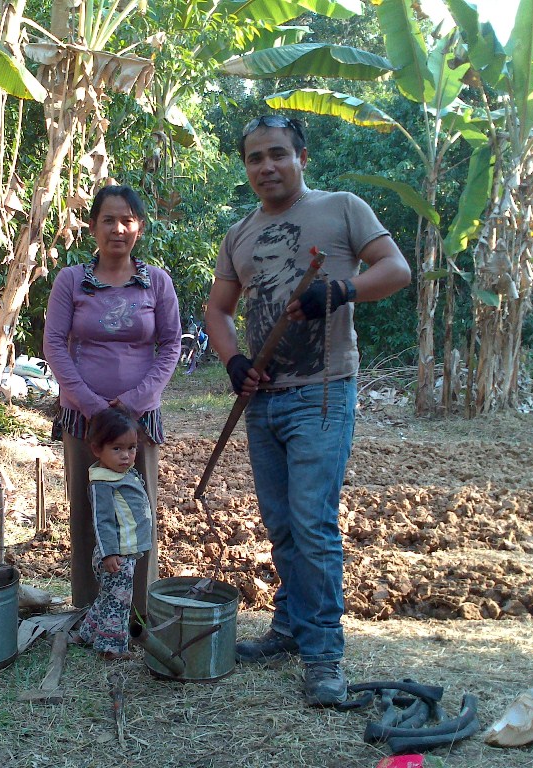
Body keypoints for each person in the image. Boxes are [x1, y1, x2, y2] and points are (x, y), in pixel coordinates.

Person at [204, 115, 412, 706]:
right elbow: (218, 312)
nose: (266, 167)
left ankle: (324, 656)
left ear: (301, 157)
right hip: (262, 399)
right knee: (283, 525)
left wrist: (342, 291)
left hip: (321, 392)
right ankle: (290, 628)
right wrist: (233, 362)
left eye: (277, 154)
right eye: (254, 158)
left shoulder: (342, 208)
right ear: (245, 168)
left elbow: (396, 270)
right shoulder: (239, 234)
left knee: (313, 523)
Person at [43, 184, 182, 617]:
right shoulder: (71, 280)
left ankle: (138, 610)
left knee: (139, 512)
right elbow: (54, 344)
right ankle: (90, 609)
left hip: (138, 424)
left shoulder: (156, 282)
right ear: (92, 227)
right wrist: (91, 404)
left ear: (139, 227)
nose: (117, 229)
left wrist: (134, 403)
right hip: (85, 422)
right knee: (87, 511)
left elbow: (171, 344)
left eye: (127, 220)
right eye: (108, 219)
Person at [72, 408, 153, 659]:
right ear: (97, 450)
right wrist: (110, 554)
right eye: (117, 449)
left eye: (131, 448)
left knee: (108, 596)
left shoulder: (120, 474)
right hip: (117, 555)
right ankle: (111, 647)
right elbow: (102, 521)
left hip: (124, 552)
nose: (126, 456)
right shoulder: (103, 483)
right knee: (119, 603)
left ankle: (85, 634)